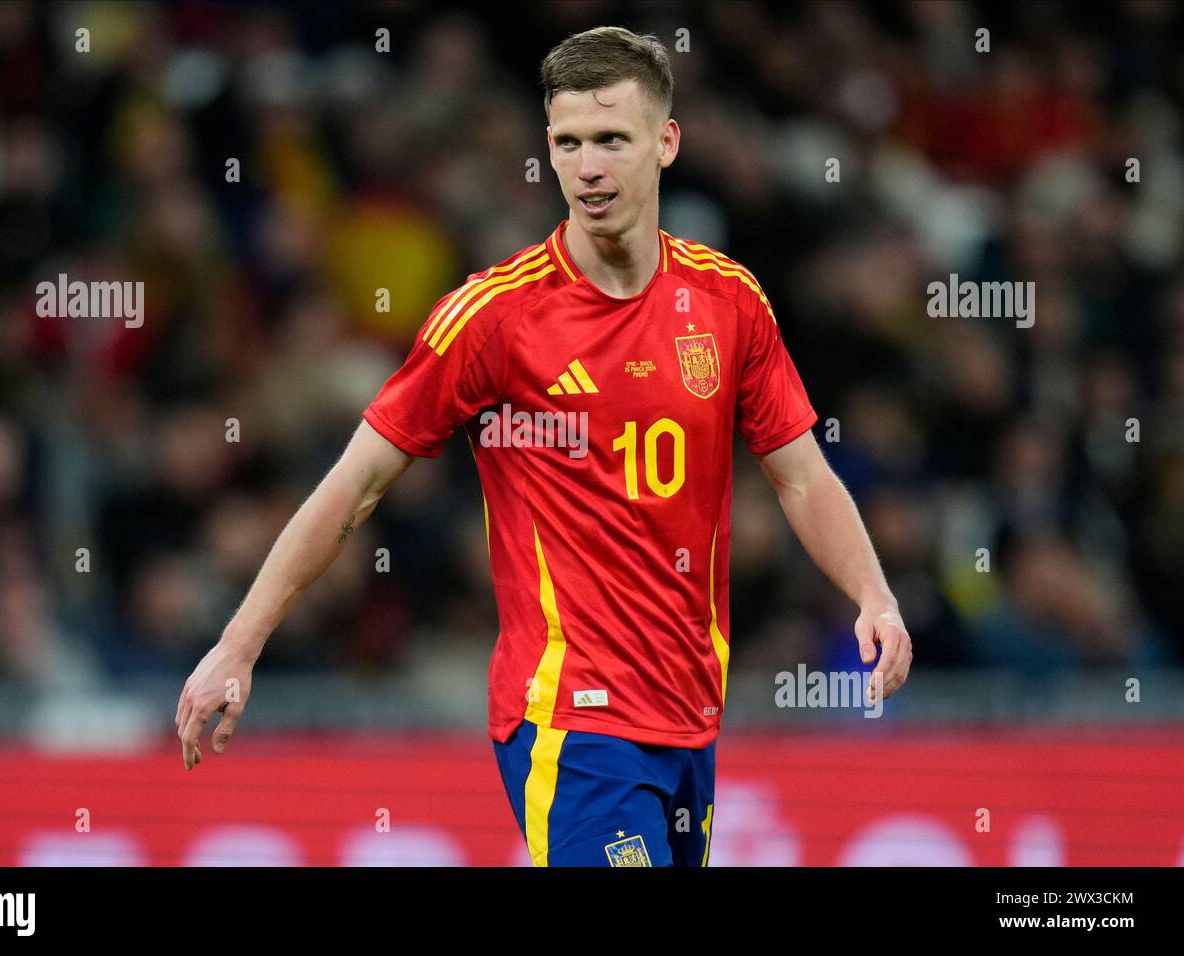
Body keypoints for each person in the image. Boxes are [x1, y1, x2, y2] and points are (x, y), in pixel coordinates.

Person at [175, 26, 912, 867]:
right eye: (567, 143)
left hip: (689, 717)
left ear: (665, 143)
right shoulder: (495, 317)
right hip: (569, 719)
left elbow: (804, 478)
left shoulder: (727, 301)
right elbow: (353, 487)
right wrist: (237, 646)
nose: (588, 167)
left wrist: (874, 595)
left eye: (610, 140)